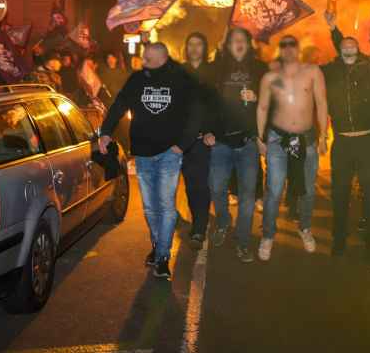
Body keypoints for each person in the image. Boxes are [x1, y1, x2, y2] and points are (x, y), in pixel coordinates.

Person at [98, 42, 201, 280]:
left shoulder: (179, 80)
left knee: (166, 205)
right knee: (149, 207)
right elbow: (120, 104)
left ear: (162, 58)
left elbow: (195, 113)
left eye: (148, 59)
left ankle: (163, 256)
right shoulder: (137, 79)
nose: (143, 62)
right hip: (143, 153)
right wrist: (106, 131)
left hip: (169, 154)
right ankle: (157, 245)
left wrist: (181, 145)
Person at [255, 35, 328, 262]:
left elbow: (322, 103)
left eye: (291, 44)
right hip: (278, 139)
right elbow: (262, 107)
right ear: (280, 50)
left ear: (298, 48)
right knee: (274, 190)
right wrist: (260, 138)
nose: (288, 48)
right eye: (284, 45)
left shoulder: (313, 72)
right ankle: (268, 235)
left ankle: (305, 227)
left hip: (306, 140)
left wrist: (324, 135)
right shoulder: (270, 77)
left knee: (307, 189)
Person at [322, 9, 370, 262]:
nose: (348, 48)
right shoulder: (331, 70)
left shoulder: (368, 68)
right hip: (343, 143)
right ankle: (339, 240)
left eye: (352, 46)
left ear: (358, 51)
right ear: (339, 50)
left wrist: (336, 31)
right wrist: (333, 30)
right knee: (340, 193)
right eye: (344, 46)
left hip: (367, 141)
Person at [202, 27, 267, 263]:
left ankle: (243, 241)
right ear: (227, 46)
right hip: (221, 141)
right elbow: (205, 101)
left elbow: (272, 100)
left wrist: (257, 97)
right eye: (234, 41)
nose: (238, 43)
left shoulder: (259, 68)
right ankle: (222, 221)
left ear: (249, 44)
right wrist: (206, 130)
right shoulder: (217, 69)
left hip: (248, 142)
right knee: (216, 187)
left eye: (242, 40)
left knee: (247, 195)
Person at [180, 32, 214, 250]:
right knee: (191, 186)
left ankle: (200, 228)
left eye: (198, 44)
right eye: (190, 44)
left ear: (204, 47)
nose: (194, 48)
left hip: (204, 139)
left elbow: (217, 105)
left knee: (202, 185)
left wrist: (212, 130)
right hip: (183, 140)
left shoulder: (212, 72)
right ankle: (198, 220)